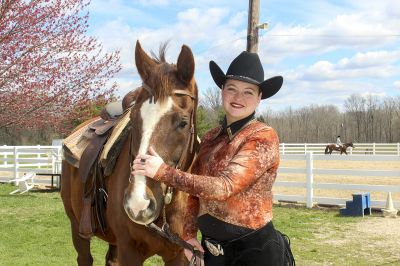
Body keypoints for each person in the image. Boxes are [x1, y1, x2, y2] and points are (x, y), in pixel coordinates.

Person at [132, 51, 294, 265]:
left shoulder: (263, 136)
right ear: (222, 91)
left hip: (254, 252)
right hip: (213, 250)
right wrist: (189, 235)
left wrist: (162, 172)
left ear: (259, 98)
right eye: (232, 89)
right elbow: (194, 195)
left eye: (248, 92)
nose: (238, 98)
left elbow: (224, 187)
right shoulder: (211, 137)